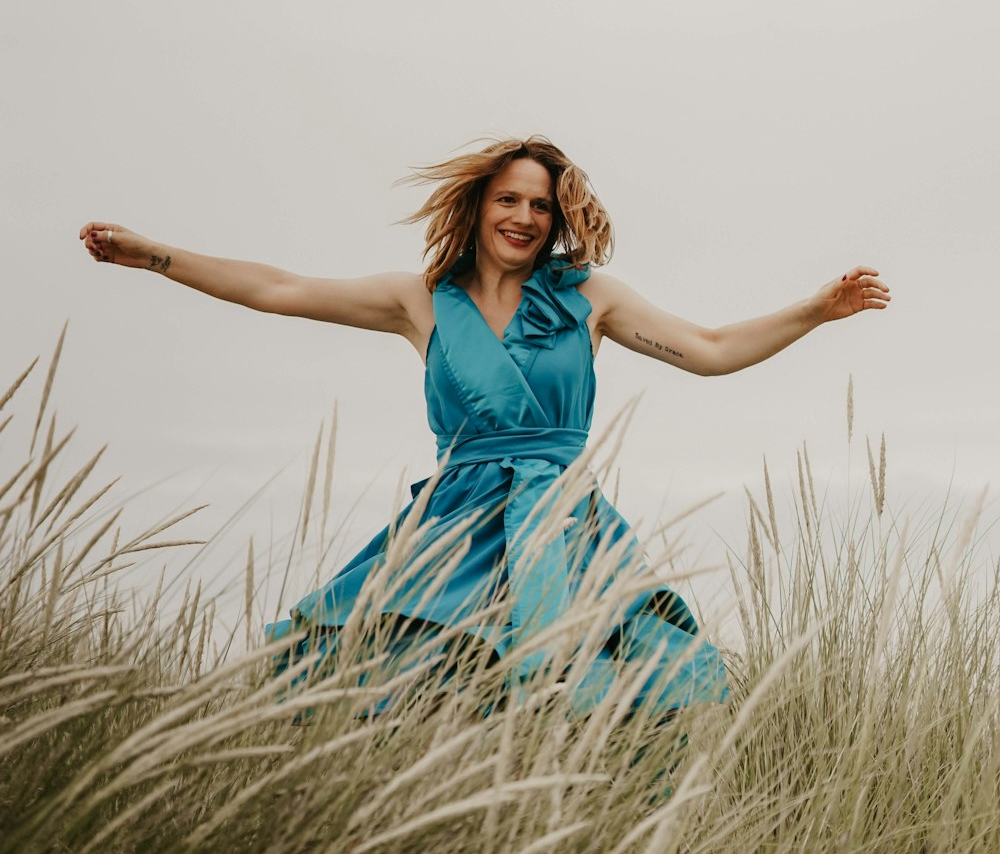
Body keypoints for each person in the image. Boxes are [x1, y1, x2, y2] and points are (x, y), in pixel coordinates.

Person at [79, 134, 890, 723]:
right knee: (401, 692)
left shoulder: (591, 300)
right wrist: (154, 255)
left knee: (612, 696)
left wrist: (817, 309)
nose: (525, 216)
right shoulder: (420, 300)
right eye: (509, 199)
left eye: (541, 204)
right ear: (478, 206)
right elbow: (278, 287)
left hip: (563, 527)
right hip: (450, 532)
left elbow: (711, 351)